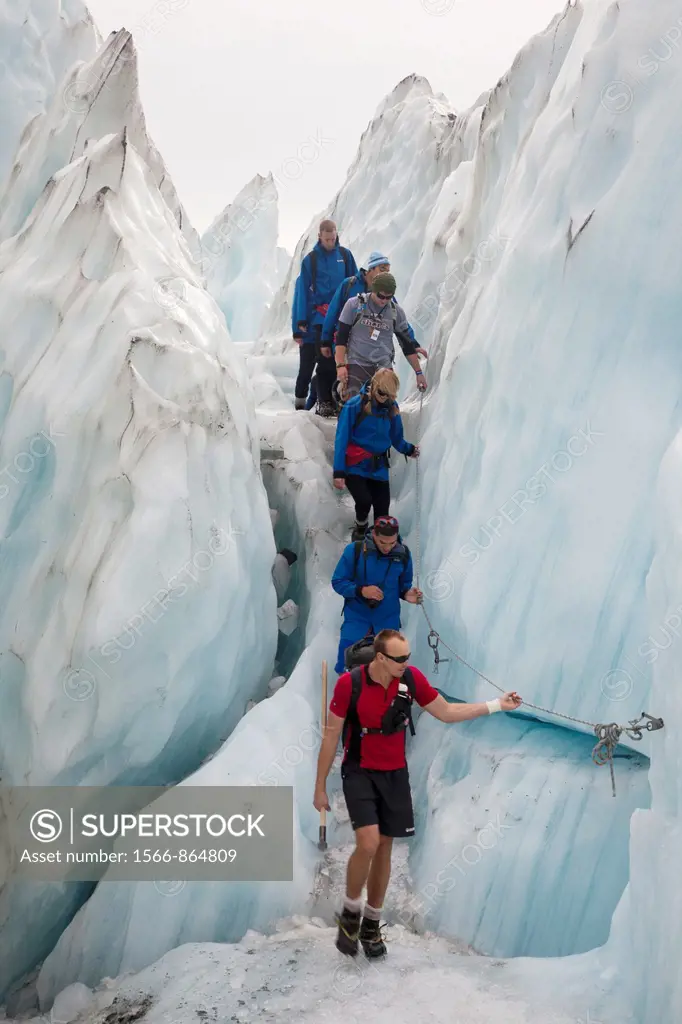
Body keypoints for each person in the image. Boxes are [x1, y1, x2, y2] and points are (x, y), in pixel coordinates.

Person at [313, 628, 523, 959]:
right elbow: (330, 736)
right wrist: (319, 786)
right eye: (400, 658)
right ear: (380, 658)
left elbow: (447, 712)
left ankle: (371, 923)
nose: (406, 663)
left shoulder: (410, 679)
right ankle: (351, 913)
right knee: (367, 842)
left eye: (408, 656)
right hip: (359, 771)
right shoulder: (349, 684)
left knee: (384, 847)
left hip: (395, 774)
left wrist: (497, 705)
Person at [330, 513, 422, 676]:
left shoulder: (403, 556)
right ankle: (349, 695)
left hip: (387, 620)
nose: (388, 548)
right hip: (357, 617)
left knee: (391, 668)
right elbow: (338, 581)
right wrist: (361, 590)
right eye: (383, 543)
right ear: (373, 535)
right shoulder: (355, 551)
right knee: (347, 663)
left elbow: (403, 586)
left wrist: (408, 594)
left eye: (392, 543)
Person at [333, 368, 418, 541]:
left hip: (378, 467)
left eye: (389, 395)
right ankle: (361, 527)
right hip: (355, 465)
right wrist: (339, 471)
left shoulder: (391, 409)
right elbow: (341, 439)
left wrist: (409, 449)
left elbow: (396, 438)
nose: (385, 399)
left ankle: (379, 551)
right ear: (374, 386)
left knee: (382, 515)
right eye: (382, 393)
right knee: (364, 501)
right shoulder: (354, 405)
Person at [291, 220, 358, 416]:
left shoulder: (345, 257)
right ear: (319, 236)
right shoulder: (310, 261)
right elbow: (301, 292)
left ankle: (329, 401)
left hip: (339, 318)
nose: (330, 242)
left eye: (333, 238)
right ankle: (300, 406)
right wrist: (299, 323)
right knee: (309, 366)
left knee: (331, 361)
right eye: (327, 238)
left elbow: (354, 284)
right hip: (316, 320)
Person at [333, 272, 428, 401]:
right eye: (380, 296)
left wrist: (419, 373)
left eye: (388, 297)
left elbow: (406, 345)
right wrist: (340, 366)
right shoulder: (354, 305)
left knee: (386, 408)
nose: (384, 300)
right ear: (373, 289)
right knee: (353, 407)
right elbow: (341, 338)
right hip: (357, 363)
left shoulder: (396, 312)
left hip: (383, 366)